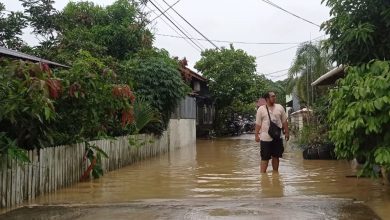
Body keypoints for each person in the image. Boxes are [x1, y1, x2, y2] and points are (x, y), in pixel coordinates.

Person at [255, 91, 289, 173]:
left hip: (277, 137)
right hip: (265, 138)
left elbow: (284, 121)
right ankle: (262, 176)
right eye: (272, 96)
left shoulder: (280, 107)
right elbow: (258, 124)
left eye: (275, 96)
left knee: (276, 157)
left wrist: (287, 132)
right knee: (264, 158)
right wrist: (256, 135)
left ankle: (275, 174)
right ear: (267, 98)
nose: (275, 98)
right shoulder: (261, 109)